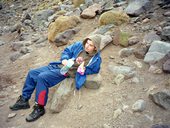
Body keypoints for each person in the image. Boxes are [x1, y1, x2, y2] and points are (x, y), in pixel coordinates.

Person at [9, 34, 102, 122]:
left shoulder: (96, 59)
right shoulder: (79, 45)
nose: (87, 46)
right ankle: (24, 100)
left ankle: (39, 107)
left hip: (66, 72)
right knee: (32, 73)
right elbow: (67, 51)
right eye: (87, 43)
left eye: (90, 45)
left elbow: (95, 70)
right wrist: (64, 59)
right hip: (59, 65)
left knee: (42, 78)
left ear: (95, 47)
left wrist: (84, 69)